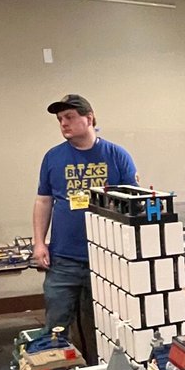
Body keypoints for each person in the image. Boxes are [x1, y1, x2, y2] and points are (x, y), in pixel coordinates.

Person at [32, 94, 138, 353]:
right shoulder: (53, 157)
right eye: (60, 119)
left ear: (89, 118)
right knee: (56, 326)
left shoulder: (116, 155)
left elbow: (135, 204)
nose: (63, 124)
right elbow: (44, 201)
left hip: (106, 259)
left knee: (104, 328)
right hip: (63, 258)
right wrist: (39, 243)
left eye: (69, 117)